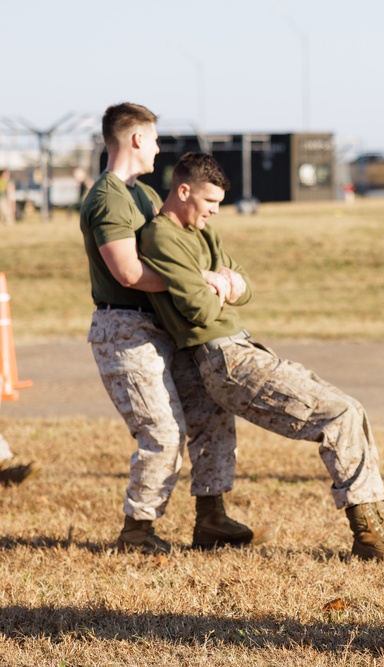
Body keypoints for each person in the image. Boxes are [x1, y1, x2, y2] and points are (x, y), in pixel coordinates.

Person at [138, 151, 384, 563]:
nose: (213, 214)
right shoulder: (162, 236)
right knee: (342, 414)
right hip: (224, 354)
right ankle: (370, 534)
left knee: (215, 433)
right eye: (209, 203)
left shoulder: (201, 234)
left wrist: (222, 283)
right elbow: (200, 310)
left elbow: (245, 285)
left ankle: (210, 521)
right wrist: (217, 284)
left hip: (235, 346)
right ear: (183, 190)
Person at [80, 103, 266, 555]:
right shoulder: (108, 198)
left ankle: (211, 517)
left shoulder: (142, 196)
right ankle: (137, 531)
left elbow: (182, 247)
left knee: (211, 411)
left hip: (161, 325)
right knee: (161, 431)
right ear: (138, 139)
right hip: (124, 328)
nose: (160, 150)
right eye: (156, 140)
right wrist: (197, 279)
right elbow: (127, 272)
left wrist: (217, 275)